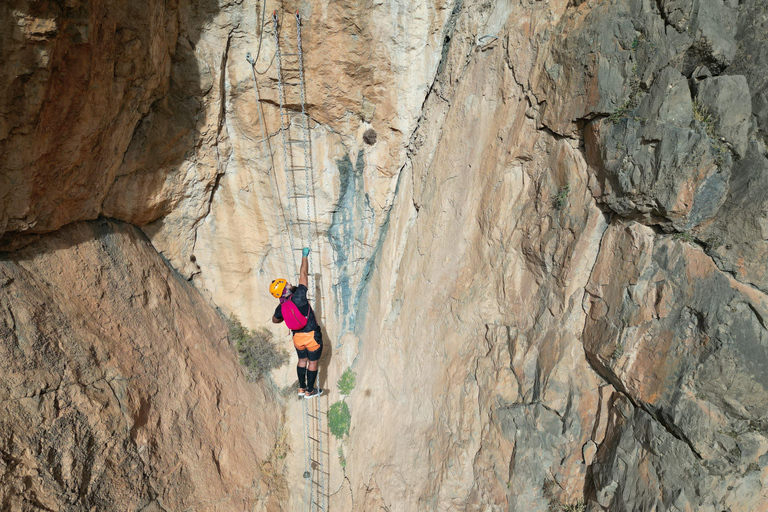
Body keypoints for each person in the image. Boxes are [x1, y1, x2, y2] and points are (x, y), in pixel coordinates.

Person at [270, 248, 323, 398]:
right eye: (287, 284)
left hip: (297, 339)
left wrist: (285, 316)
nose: (289, 283)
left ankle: (301, 388)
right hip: (312, 336)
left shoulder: (281, 306)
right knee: (312, 363)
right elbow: (304, 274)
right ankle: (310, 391)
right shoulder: (299, 295)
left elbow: (275, 320)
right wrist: (304, 257)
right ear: (286, 288)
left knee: (302, 360)